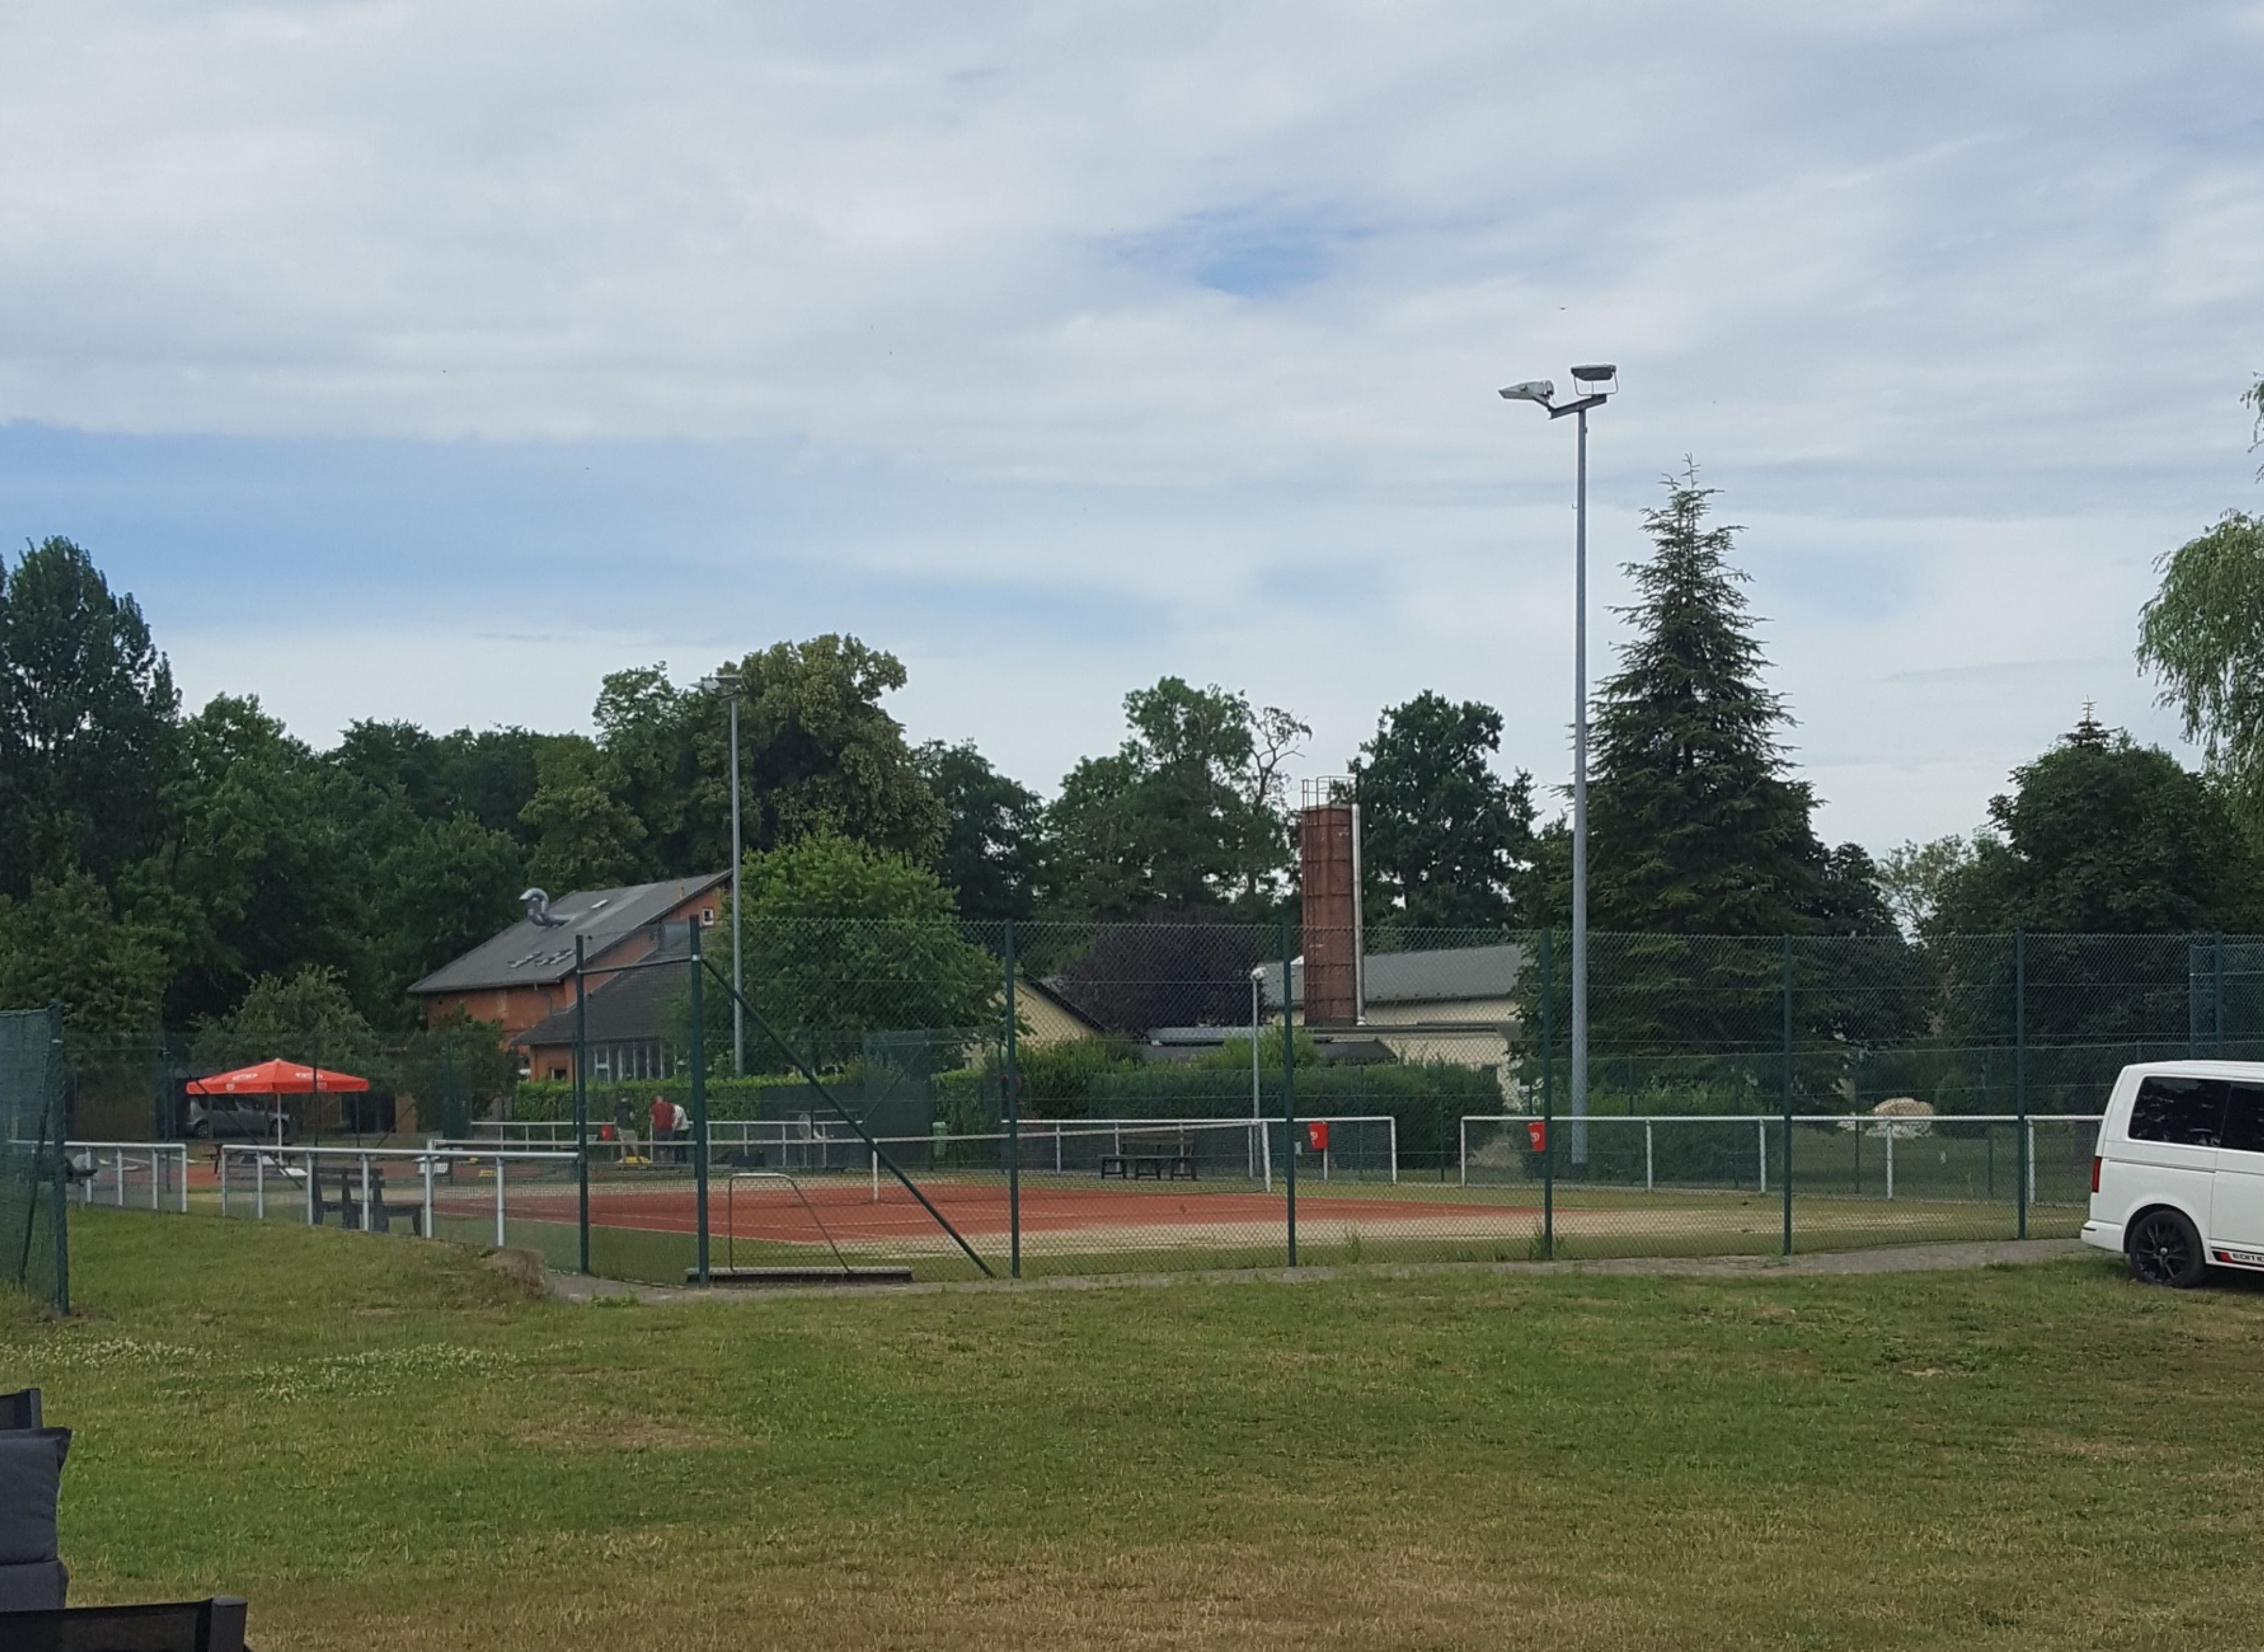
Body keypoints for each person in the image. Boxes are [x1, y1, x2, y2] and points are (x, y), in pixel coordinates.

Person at [649, 1093, 673, 1165]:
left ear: (656, 1100)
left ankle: (663, 1162)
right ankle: (671, 1162)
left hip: (659, 1129)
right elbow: (673, 1116)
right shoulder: (670, 1106)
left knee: (661, 1147)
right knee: (670, 1146)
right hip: (669, 1129)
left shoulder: (654, 1107)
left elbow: (653, 1120)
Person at [613, 1096, 638, 1164]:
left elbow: (615, 1119)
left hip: (620, 1128)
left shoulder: (617, 1106)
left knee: (623, 1146)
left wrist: (615, 1129)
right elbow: (632, 1117)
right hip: (629, 1128)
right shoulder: (630, 1105)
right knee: (634, 1145)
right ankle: (639, 1162)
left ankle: (624, 1162)